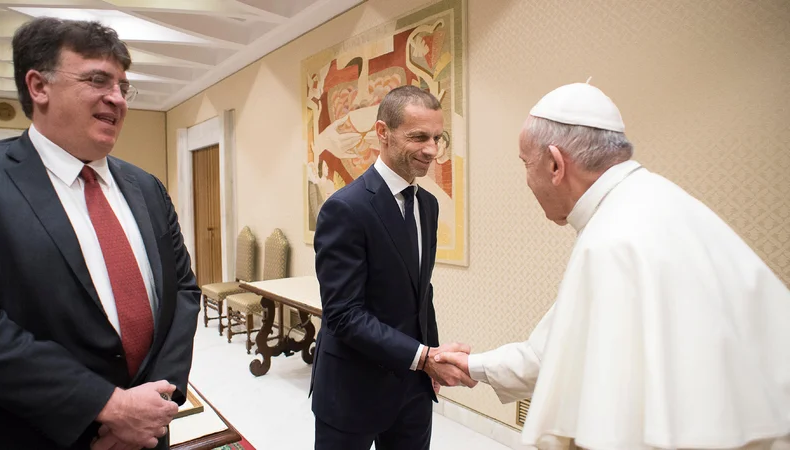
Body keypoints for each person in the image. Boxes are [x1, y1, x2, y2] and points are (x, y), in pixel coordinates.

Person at [436, 82, 790, 449]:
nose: (527, 179)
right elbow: (552, 348)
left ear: (556, 164)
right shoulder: (661, 201)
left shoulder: (612, 241)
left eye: (526, 164)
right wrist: (471, 365)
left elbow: (611, 421)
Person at [0, 18, 200, 450]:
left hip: (149, 429)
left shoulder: (147, 187)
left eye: (123, 86)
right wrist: (107, 406)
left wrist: (157, 401)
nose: (117, 99)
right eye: (97, 80)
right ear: (38, 86)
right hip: (41, 433)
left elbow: (183, 290)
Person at [311, 85, 477, 450]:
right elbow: (344, 315)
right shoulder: (346, 208)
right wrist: (425, 357)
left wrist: (429, 360)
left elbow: (422, 293)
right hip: (351, 389)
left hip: (413, 388)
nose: (431, 150)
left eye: (437, 137)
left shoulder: (429, 206)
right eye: (419, 137)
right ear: (382, 133)